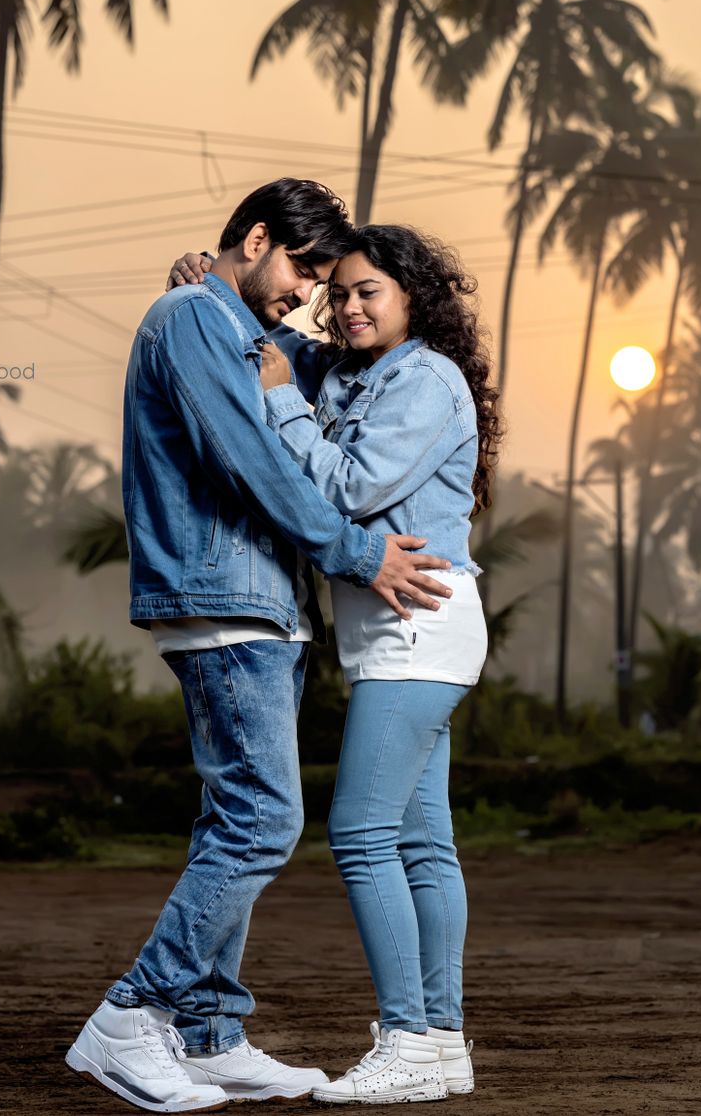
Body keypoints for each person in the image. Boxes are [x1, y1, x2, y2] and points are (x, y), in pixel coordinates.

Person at [67, 181, 454, 1115]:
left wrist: (260, 314)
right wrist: (359, 552)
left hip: (257, 605)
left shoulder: (228, 320)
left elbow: (303, 369)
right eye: (304, 270)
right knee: (263, 822)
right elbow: (250, 456)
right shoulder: (190, 319)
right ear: (253, 239)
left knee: (228, 817)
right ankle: (131, 1017)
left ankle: (207, 1035)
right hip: (222, 598)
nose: (310, 293)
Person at [169, 223, 499, 1105]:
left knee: (359, 834)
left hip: (423, 627)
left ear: (413, 299)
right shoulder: (350, 371)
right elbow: (266, 347)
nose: (348, 307)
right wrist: (211, 286)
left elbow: (351, 487)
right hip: (392, 635)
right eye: (339, 292)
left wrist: (281, 406)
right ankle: (441, 1042)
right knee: (424, 843)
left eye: (369, 293)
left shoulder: (426, 379)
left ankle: (407, 1036)